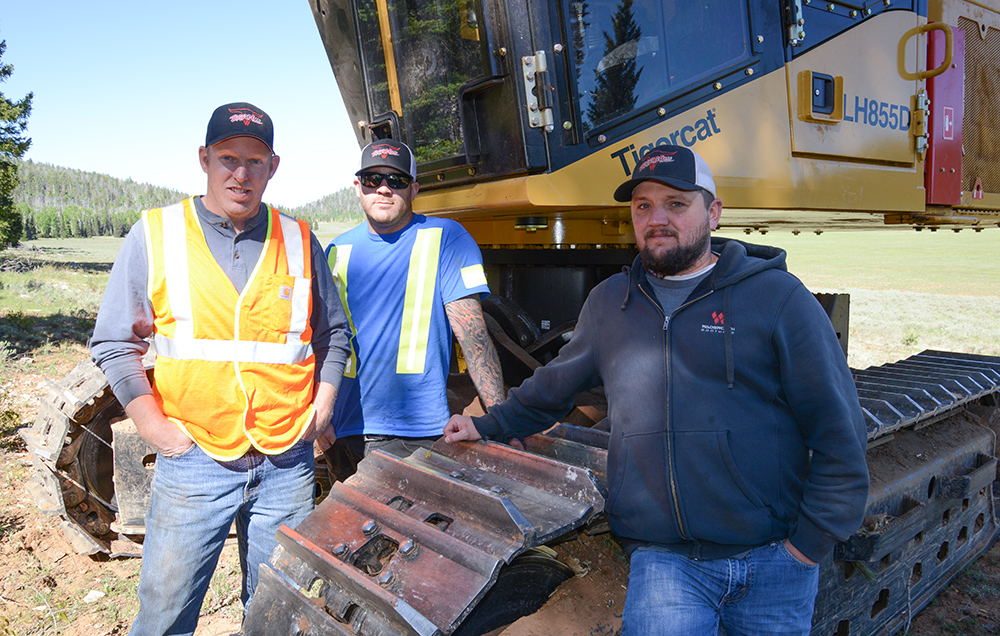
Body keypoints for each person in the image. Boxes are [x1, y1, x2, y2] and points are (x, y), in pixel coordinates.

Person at [444, 145, 870, 635]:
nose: (656, 218)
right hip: (666, 565)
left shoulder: (778, 300)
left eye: (675, 203)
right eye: (643, 205)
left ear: (713, 212)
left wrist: (808, 546)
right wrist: (485, 424)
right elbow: (555, 386)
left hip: (773, 561)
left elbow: (838, 429)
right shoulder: (610, 303)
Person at [90, 102, 350, 636]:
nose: (241, 173)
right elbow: (115, 342)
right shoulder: (155, 235)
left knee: (279, 612)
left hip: (286, 462)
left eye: (255, 161)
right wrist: (158, 432)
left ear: (273, 167)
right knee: (165, 615)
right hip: (194, 460)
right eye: (228, 158)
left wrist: (322, 406)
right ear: (204, 159)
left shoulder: (300, 240)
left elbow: (334, 334)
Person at [322, 138, 505, 479]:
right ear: (358, 186)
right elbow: (320, 342)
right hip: (345, 430)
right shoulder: (336, 250)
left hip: (415, 433)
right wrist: (319, 418)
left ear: (414, 188)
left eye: (396, 181)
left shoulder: (447, 238)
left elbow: (473, 335)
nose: (384, 189)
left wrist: (501, 421)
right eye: (372, 179)